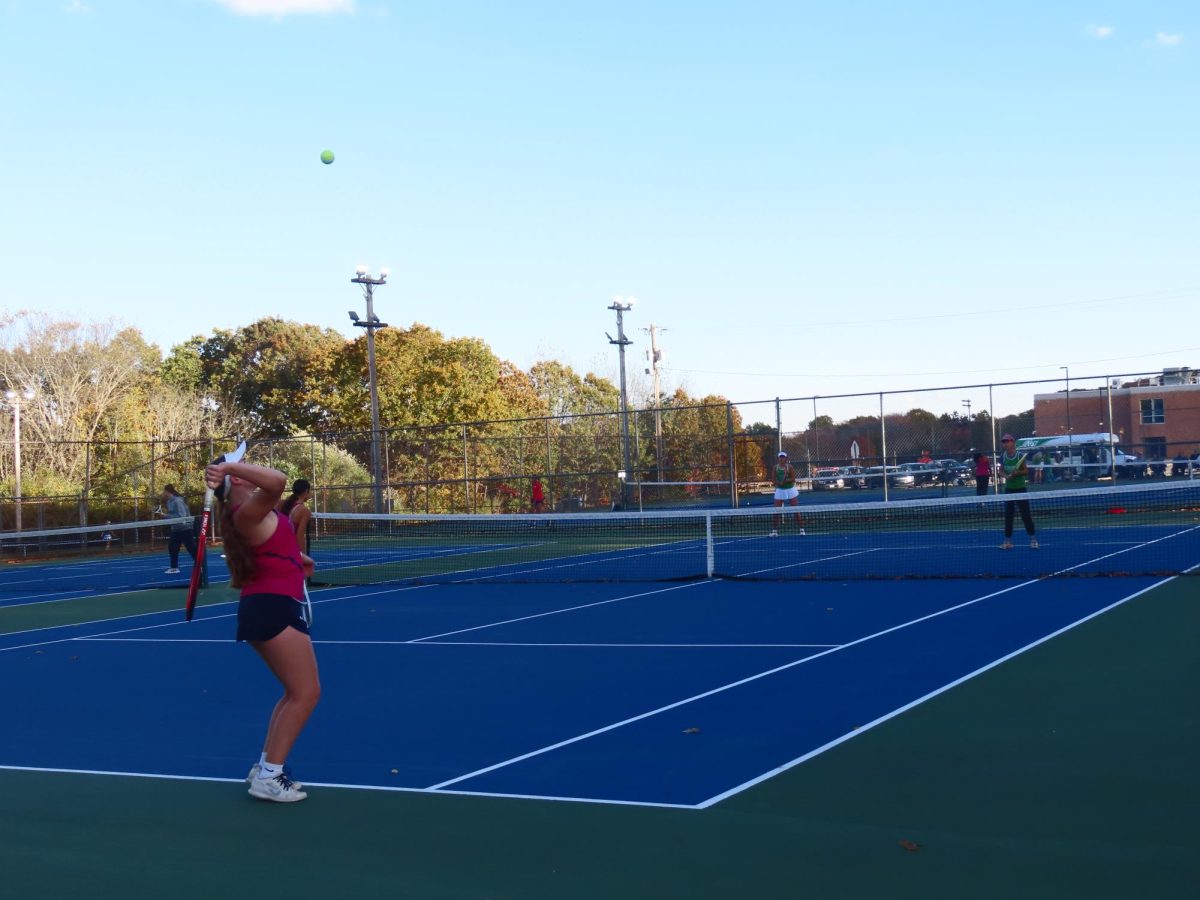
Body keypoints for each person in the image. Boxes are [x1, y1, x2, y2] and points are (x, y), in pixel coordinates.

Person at [207, 456, 319, 803]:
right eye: (242, 467)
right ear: (236, 480)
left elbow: (275, 545)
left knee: (293, 692)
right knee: (306, 693)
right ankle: (271, 776)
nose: (250, 467)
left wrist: (297, 561)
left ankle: (267, 767)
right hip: (271, 606)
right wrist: (227, 468)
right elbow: (277, 480)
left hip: (274, 602)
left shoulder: (257, 512)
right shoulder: (247, 513)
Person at [999, 434, 1037, 550]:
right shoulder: (1003, 457)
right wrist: (1006, 476)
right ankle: (1007, 541)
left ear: (1012, 442)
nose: (1005, 444)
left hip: (1020, 489)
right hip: (1009, 490)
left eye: (1007, 441)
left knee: (1025, 515)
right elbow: (1000, 471)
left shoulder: (1019, 456)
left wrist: (1017, 473)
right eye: (1004, 442)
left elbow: (1025, 471)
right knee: (1008, 516)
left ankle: (1033, 540)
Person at [159, 485, 197, 574]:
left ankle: (200, 564)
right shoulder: (169, 502)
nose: (163, 493)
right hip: (176, 529)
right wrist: (165, 516)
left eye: (164, 491)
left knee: (191, 547)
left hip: (185, 528)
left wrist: (166, 516)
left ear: (168, 492)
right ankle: (174, 568)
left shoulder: (178, 501)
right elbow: (173, 515)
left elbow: (182, 516)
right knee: (172, 547)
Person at [769, 451, 805, 536]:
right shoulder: (775, 467)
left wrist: (786, 481)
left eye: (783, 457)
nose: (781, 458)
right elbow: (773, 480)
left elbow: (793, 479)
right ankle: (774, 531)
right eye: (780, 457)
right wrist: (778, 483)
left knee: (796, 511)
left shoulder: (790, 467)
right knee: (776, 511)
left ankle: (802, 530)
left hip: (790, 490)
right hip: (780, 490)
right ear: (778, 458)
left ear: (786, 458)